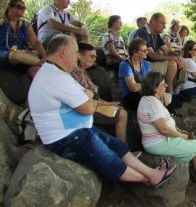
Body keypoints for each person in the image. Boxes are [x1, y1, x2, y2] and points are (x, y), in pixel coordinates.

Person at [28, 34, 176, 188]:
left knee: (116, 145)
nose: (77, 57)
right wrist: (88, 98)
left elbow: (88, 94)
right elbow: (87, 108)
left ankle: (150, 173)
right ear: (63, 52)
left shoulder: (56, 73)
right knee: (109, 159)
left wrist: (88, 97)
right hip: (65, 137)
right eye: (76, 52)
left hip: (78, 130)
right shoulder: (55, 78)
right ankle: (150, 178)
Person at [137, 71, 196, 198]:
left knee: (194, 142)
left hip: (160, 139)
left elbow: (164, 125)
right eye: (163, 85)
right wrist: (180, 136)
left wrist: (178, 131)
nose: (166, 87)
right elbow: (163, 129)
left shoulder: (150, 100)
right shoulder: (152, 103)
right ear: (154, 88)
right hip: (159, 142)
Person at [71, 42, 129, 143]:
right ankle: (123, 149)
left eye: (95, 57)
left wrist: (110, 104)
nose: (94, 59)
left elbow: (94, 97)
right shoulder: (77, 72)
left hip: (92, 105)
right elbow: (88, 99)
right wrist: (108, 104)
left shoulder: (82, 71)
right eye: (92, 56)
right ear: (79, 55)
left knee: (120, 109)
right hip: (86, 109)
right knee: (122, 114)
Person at [133, 13, 185, 95]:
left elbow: (167, 51)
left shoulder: (156, 35)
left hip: (150, 63)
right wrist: (173, 58)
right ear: (154, 22)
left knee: (180, 61)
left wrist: (178, 57)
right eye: (163, 23)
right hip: (143, 65)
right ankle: (169, 93)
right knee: (172, 64)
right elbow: (152, 56)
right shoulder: (142, 32)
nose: (164, 27)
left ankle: (176, 90)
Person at [0, 0, 46, 78]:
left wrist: (45, 56)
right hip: (4, 54)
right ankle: (47, 64)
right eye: (19, 6)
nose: (22, 9)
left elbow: (35, 42)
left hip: (22, 55)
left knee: (36, 71)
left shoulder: (25, 24)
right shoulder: (2, 21)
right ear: (9, 7)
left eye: (24, 7)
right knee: (16, 54)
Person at [118, 38, 152, 111]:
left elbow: (151, 81)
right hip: (130, 97)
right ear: (135, 52)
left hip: (143, 92)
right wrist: (149, 85)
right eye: (144, 50)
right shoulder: (125, 65)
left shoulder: (146, 64)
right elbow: (133, 88)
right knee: (151, 101)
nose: (147, 52)